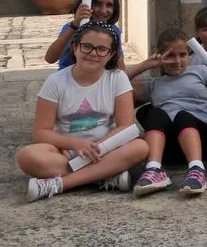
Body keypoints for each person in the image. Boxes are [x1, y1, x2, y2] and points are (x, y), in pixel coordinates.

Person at [18, 21, 150, 202]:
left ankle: (59, 184)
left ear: (111, 54)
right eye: (87, 47)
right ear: (75, 48)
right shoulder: (55, 82)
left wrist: (96, 149)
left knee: (140, 147)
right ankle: (104, 176)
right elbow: (41, 133)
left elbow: (125, 127)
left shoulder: (117, 79)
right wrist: (76, 145)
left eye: (102, 49)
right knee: (27, 157)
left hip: (107, 148)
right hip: (65, 150)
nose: (93, 54)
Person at [128, 28, 207, 198]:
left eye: (182, 55)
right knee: (154, 113)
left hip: (201, 138)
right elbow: (118, 84)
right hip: (168, 145)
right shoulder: (155, 84)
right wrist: (146, 65)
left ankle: (197, 170)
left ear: (189, 55)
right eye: (170, 55)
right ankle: (154, 169)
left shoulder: (201, 71)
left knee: (182, 116)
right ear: (160, 57)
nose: (177, 61)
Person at [45, 0, 125, 70]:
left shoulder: (114, 30)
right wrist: (74, 25)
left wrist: (143, 66)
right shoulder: (72, 28)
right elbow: (50, 58)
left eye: (109, 5)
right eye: (98, 4)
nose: (103, 10)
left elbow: (121, 71)